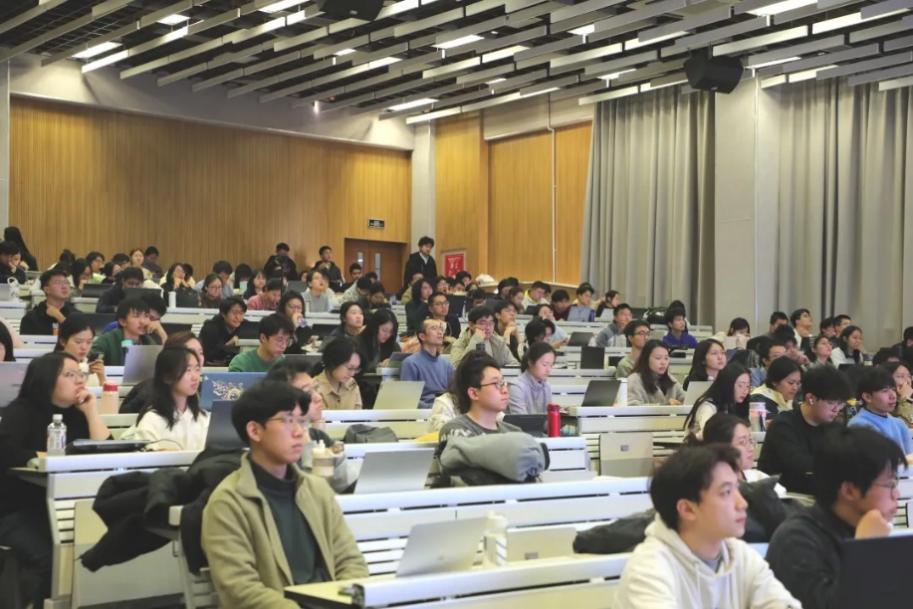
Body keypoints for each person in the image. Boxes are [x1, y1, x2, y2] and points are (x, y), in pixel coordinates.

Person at [201, 381, 367, 609]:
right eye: (288, 421)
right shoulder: (228, 503)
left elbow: (350, 561)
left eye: (301, 421)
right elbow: (240, 590)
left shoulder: (317, 490)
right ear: (255, 430)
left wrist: (348, 603)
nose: (299, 432)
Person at [615, 444, 800, 609]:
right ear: (687, 509)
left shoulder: (739, 555)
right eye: (726, 492)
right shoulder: (648, 570)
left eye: (737, 488)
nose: (742, 503)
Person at [0, 353, 111, 608]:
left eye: (80, 374)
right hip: (16, 510)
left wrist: (91, 411)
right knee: (51, 556)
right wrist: (51, 457)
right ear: (46, 380)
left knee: (94, 549)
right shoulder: (21, 411)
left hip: (65, 508)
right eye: (69, 375)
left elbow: (107, 452)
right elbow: (6, 452)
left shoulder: (77, 414)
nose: (79, 381)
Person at [767, 426, 904, 609]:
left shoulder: (865, 527)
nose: (897, 494)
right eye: (890, 484)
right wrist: (866, 549)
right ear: (849, 491)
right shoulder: (796, 539)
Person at [757, 365, 851, 493]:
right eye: (831, 402)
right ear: (810, 398)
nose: (836, 409)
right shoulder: (783, 426)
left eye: (840, 403)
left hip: (815, 493)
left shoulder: (834, 427)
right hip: (783, 495)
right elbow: (800, 467)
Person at [122, 347, 207, 450]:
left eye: (197, 370)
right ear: (167, 377)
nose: (195, 377)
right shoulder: (152, 420)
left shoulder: (203, 418)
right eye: (187, 370)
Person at [438, 352, 520, 442]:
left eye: (503, 383)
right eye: (496, 384)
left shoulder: (514, 432)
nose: (505, 390)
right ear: (474, 393)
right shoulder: (455, 430)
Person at [847, 366, 913, 455]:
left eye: (893, 390)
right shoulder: (858, 426)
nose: (893, 396)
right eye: (885, 391)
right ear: (867, 397)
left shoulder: (899, 424)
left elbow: (910, 457)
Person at [701, 413, 779, 487]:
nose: (751, 448)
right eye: (742, 442)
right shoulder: (709, 487)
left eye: (750, 440)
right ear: (720, 446)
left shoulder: (759, 478)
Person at [683, 363, 751, 437]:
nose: (745, 391)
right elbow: (709, 434)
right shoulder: (707, 407)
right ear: (727, 384)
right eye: (740, 385)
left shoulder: (735, 405)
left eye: (747, 386)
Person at [401, 319, 455, 408]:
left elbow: (455, 391)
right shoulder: (410, 363)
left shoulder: (447, 364)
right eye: (434, 328)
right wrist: (432, 408)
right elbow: (408, 399)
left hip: (444, 407)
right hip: (423, 411)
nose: (440, 332)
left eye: (441, 329)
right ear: (422, 336)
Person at [91, 298, 155, 366]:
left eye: (146, 316)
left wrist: (161, 333)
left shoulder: (147, 341)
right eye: (136, 316)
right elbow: (91, 358)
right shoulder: (107, 340)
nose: (143, 321)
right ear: (123, 321)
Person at [450, 306, 519, 368]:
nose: (488, 327)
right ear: (471, 325)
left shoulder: (499, 342)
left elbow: (514, 365)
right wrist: (476, 340)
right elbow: (458, 367)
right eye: (483, 323)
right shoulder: (459, 344)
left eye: (490, 323)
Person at [626, 340, 686, 405]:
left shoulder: (670, 378)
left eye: (666, 358)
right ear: (646, 359)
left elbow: (685, 400)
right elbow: (632, 406)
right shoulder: (634, 380)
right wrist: (664, 406)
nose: (663, 362)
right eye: (658, 358)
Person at [20, 269, 77, 335]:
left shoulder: (76, 315)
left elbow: (81, 337)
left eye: (66, 282)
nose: (64, 286)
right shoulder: (31, 318)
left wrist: (61, 318)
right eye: (58, 283)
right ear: (47, 289)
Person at [55, 314, 105, 387]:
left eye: (89, 342)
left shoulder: (91, 366)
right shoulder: (54, 366)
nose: (84, 347)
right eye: (78, 342)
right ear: (63, 341)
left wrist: (101, 378)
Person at [313, 338, 363, 410]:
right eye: (349, 368)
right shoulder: (314, 388)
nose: (352, 374)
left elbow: (359, 413)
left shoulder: (351, 383)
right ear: (333, 363)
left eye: (356, 369)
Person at [507, 342, 555, 415]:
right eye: (544, 365)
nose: (548, 370)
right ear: (530, 362)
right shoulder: (517, 387)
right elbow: (520, 419)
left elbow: (548, 417)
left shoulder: (546, 386)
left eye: (551, 365)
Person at [748, 356, 802, 421]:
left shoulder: (790, 400)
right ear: (775, 381)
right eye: (791, 383)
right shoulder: (757, 400)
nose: (795, 388)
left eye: (798, 383)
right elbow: (758, 425)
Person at [199, 296, 246, 366]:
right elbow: (208, 355)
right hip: (212, 367)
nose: (238, 317)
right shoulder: (210, 327)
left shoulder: (246, 326)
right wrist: (228, 345)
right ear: (223, 314)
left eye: (241, 313)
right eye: (234, 313)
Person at [355, 308, 400, 374]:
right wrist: (377, 367)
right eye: (384, 330)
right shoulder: (357, 344)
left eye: (391, 331)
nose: (387, 335)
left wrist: (393, 363)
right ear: (374, 327)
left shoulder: (394, 345)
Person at [275, 291, 313, 355]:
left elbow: (306, 342)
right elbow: (286, 348)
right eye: (292, 307)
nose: (296, 311)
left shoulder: (303, 323)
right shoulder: (276, 323)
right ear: (283, 307)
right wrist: (294, 327)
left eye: (299, 308)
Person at [884, 361, 913, 426]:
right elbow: (902, 426)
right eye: (900, 376)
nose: (907, 380)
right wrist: (905, 399)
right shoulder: (881, 404)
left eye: (909, 376)